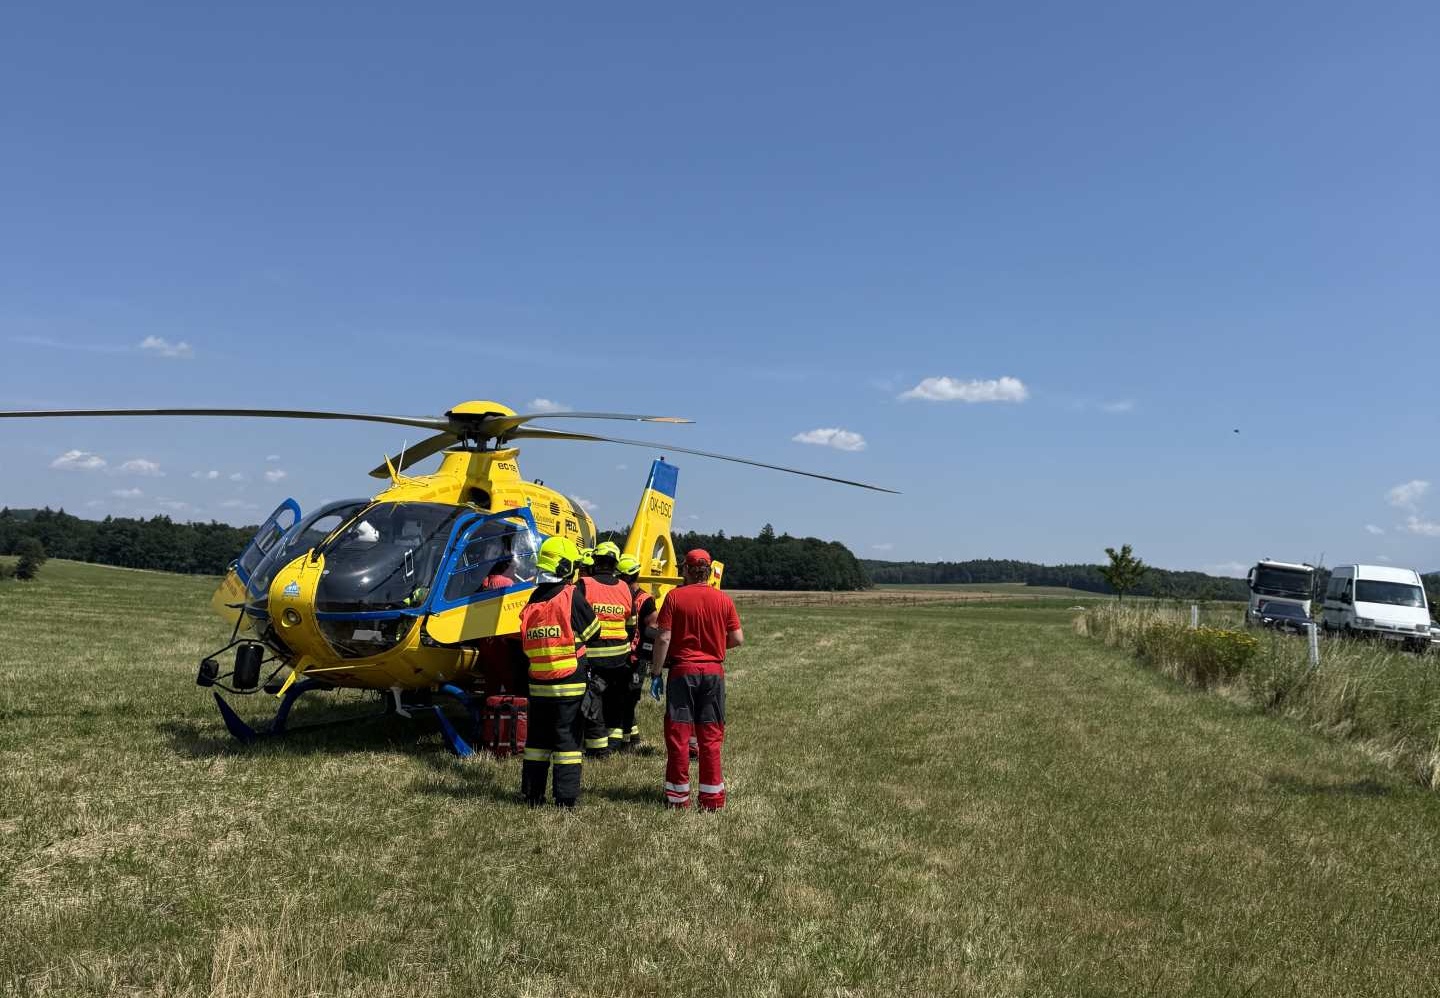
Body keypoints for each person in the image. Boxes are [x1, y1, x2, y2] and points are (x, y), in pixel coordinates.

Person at [649, 549, 742, 811]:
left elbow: (664, 638)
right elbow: (737, 638)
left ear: (687, 570)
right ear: (710, 571)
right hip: (713, 672)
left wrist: (656, 672)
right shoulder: (723, 600)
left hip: (682, 672)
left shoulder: (674, 598)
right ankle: (712, 799)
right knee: (710, 736)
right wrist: (714, 650)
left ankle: (678, 799)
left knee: (679, 735)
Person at [517, 537, 600, 808]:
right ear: (565, 566)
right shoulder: (569, 594)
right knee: (567, 742)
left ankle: (532, 795)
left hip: (538, 685)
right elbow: (592, 632)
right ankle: (565, 799)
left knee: (537, 742)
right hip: (569, 684)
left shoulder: (532, 599)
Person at [579, 541, 635, 755]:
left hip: (593, 656)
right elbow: (631, 624)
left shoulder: (584, 585)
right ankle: (615, 744)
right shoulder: (625, 588)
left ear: (596, 560)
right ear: (615, 564)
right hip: (620, 656)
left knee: (594, 702)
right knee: (616, 701)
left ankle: (596, 748)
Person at [618, 554, 657, 750]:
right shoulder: (617, 596)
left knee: (630, 697)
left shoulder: (645, 600)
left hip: (637, 657)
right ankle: (629, 739)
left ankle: (630, 740)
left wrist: (648, 657)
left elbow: (652, 629)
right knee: (620, 696)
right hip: (619, 654)